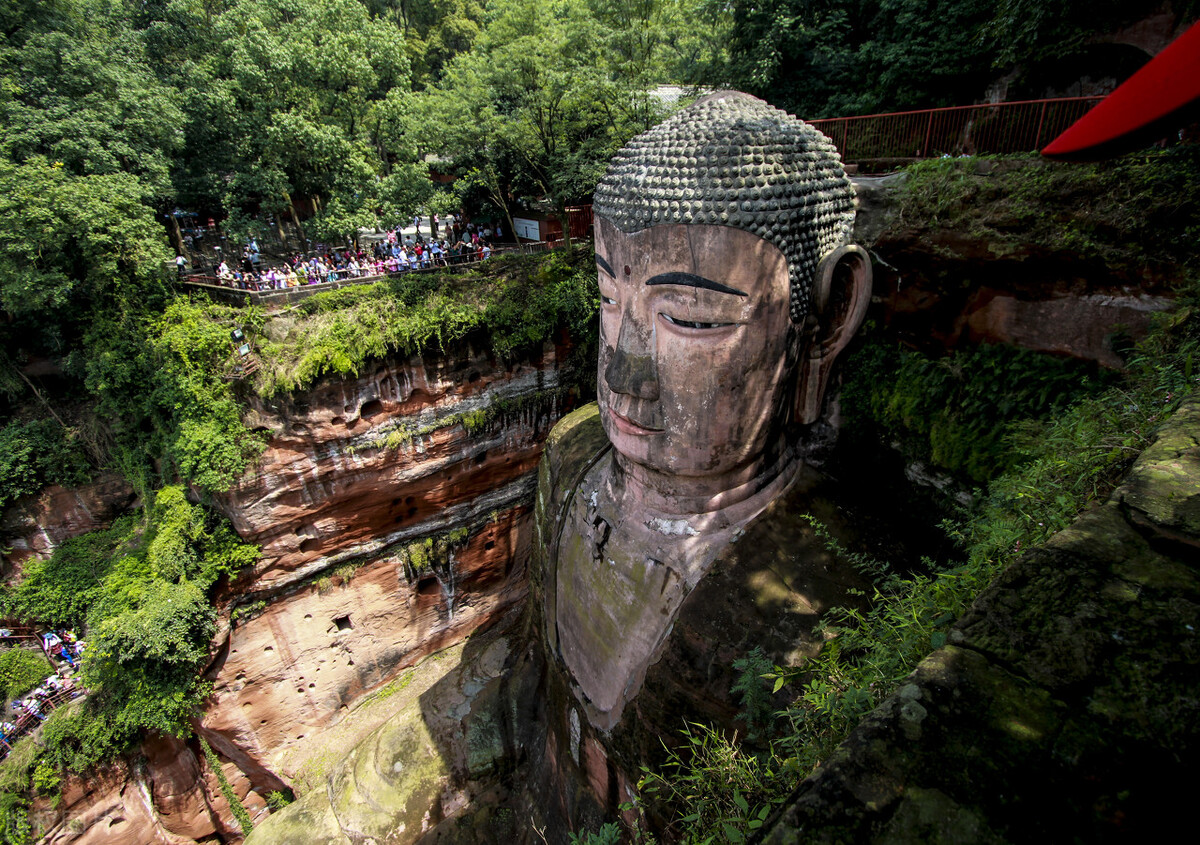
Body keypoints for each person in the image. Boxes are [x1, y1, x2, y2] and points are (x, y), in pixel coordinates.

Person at [536, 92, 872, 731]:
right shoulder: (569, 460)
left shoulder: (813, 622)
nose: (621, 371)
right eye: (608, 298)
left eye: (688, 318)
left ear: (826, 320)